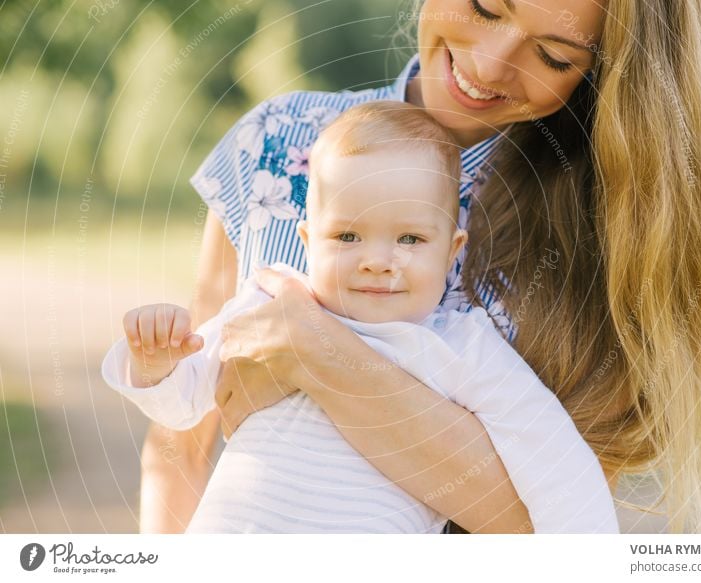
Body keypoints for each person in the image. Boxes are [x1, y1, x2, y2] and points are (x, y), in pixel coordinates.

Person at [139, 0, 701, 534]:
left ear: (600, 75)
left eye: (553, 56)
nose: (488, 67)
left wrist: (314, 347)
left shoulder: (606, 225)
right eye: (487, 5)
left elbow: (540, 517)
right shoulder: (275, 138)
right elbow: (181, 439)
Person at [103, 101, 618, 534]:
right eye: (347, 236)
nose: (377, 259)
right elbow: (181, 406)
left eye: (410, 239)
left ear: (451, 251)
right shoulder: (271, 303)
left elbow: (554, 458)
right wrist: (155, 360)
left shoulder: (463, 347)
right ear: (308, 242)